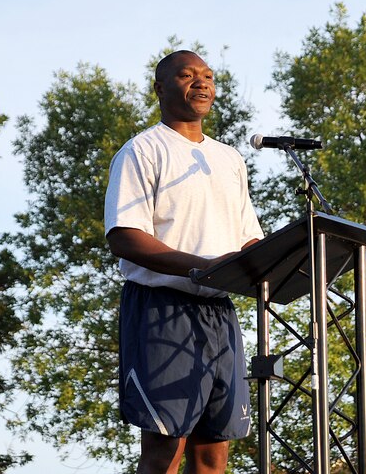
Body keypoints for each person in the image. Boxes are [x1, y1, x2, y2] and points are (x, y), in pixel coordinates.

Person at [104, 50, 263, 474]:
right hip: (163, 308)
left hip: (220, 313)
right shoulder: (143, 150)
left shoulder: (230, 158)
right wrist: (200, 265)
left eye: (208, 76)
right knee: (164, 448)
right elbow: (123, 235)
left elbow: (249, 237)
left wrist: (278, 261)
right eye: (187, 75)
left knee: (213, 452)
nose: (202, 82)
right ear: (160, 88)